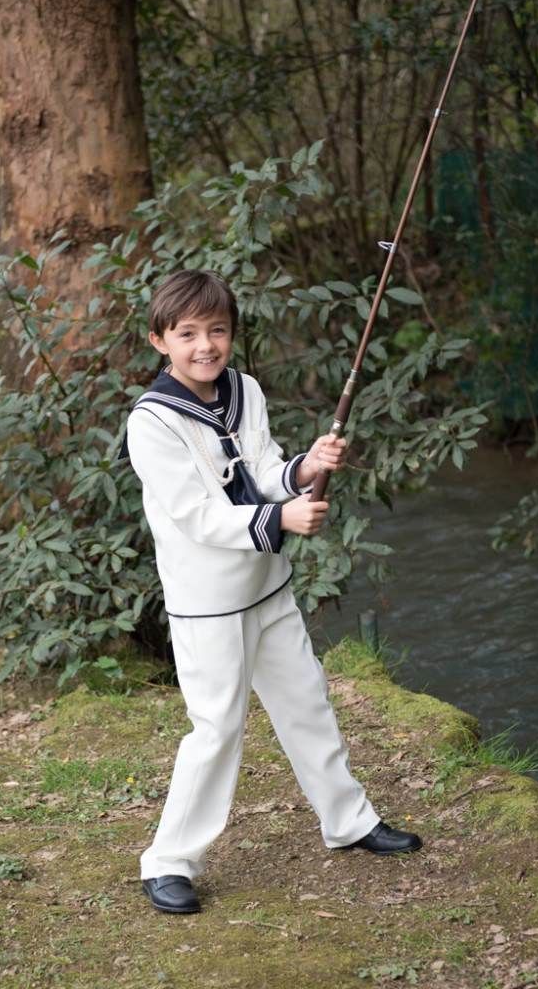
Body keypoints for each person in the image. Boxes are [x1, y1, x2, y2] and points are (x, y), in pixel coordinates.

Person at [120, 269, 422, 915]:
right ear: (159, 342)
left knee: (306, 701)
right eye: (188, 333)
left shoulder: (243, 389)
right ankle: (168, 861)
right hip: (206, 602)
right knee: (217, 728)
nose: (206, 345)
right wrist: (279, 520)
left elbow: (258, 469)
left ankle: (347, 819)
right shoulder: (150, 423)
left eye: (218, 330)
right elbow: (196, 514)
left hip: (267, 587)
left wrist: (305, 468)